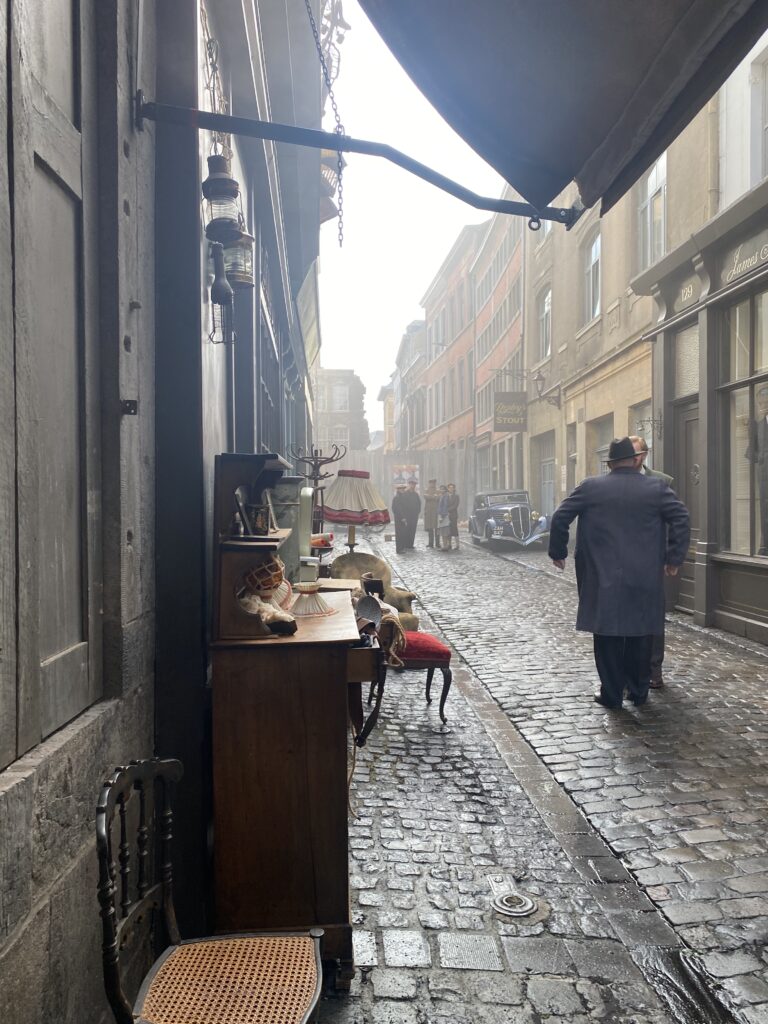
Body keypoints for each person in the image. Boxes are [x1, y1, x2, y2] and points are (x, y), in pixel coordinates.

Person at [548, 436, 690, 709]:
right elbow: (681, 518)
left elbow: (561, 516)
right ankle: (638, 691)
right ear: (636, 461)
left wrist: (558, 551)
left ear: (610, 463)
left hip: (602, 575)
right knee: (641, 633)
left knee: (606, 636)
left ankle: (611, 694)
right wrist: (674, 558)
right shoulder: (656, 488)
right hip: (644, 576)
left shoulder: (591, 487)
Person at [630, 435, 673, 689]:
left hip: (652, 561)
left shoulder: (661, 481)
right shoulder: (615, 482)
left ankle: (654, 670)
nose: (630, 459)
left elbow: (673, 520)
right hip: (622, 561)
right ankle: (630, 670)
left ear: (644, 455)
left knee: (654, 617)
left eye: (635, 454)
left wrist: (670, 556)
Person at [746, 384, 768, 556]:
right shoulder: (758, 426)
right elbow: (751, 454)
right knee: (765, 509)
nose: (763, 406)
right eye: (761, 403)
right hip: (764, 478)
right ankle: (765, 546)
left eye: (766, 403)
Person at [402, 478, 422, 549]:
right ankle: (405, 544)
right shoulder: (405, 494)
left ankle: (410, 544)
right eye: (411, 484)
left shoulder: (416, 494)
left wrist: (417, 512)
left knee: (413, 530)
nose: (413, 486)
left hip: (414, 515)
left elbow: (419, 504)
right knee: (406, 529)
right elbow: (403, 505)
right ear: (409, 484)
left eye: (414, 484)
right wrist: (404, 515)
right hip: (407, 515)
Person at [392, 483, 409, 553]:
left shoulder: (402, 497)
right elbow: (397, 509)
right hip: (399, 518)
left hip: (402, 517)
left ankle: (401, 548)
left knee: (402, 533)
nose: (403, 490)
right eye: (401, 489)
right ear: (398, 490)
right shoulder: (397, 497)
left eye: (403, 489)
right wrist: (402, 517)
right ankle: (399, 549)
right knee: (399, 534)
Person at [423, 478, 439, 548]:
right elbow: (426, 497)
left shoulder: (438, 490)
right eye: (431, 483)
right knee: (430, 528)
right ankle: (430, 543)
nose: (432, 484)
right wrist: (433, 496)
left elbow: (438, 498)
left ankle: (437, 543)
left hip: (436, 511)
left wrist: (431, 497)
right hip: (429, 512)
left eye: (433, 483)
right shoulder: (426, 490)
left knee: (437, 528)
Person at [446, 483, 460, 550]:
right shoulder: (446, 496)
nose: (451, 489)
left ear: (454, 488)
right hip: (447, 516)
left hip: (453, 515)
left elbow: (455, 505)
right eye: (449, 488)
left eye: (452, 488)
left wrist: (447, 510)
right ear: (448, 488)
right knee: (448, 530)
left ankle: (457, 545)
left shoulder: (456, 496)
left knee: (455, 529)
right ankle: (449, 544)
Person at [436, 485, 450, 550]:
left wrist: (442, 516)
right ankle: (444, 546)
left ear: (445, 490)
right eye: (440, 489)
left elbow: (445, 506)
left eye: (443, 489)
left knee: (444, 531)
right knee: (442, 531)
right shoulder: (442, 496)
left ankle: (445, 546)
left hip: (444, 515)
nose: (441, 490)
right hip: (441, 514)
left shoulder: (446, 496)